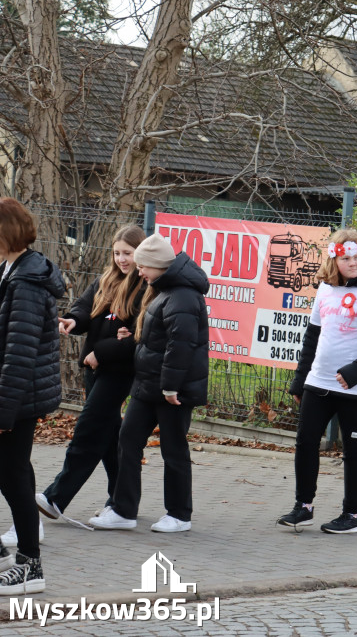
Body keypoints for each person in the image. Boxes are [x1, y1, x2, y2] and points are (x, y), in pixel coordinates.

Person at [277, 231, 357, 534]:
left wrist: (355, 372)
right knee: (305, 442)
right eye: (346, 258)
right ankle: (303, 506)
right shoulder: (326, 289)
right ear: (335, 259)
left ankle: (352, 515)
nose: (353, 263)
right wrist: (299, 380)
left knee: (353, 450)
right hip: (319, 381)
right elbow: (312, 337)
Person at [89, 233, 209, 533]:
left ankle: (179, 515)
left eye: (144, 266)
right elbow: (159, 337)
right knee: (127, 440)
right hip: (147, 385)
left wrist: (170, 387)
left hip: (170, 391)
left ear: (158, 265)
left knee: (174, 449)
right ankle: (123, 510)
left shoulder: (182, 295)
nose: (139, 271)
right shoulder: (162, 289)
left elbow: (180, 346)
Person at [37, 225, 147, 528]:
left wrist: (104, 351)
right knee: (111, 438)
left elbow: (139, 336)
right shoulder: (105, 280)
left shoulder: (144, 286)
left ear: (140, 253)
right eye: (117, 253)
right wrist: (73, 320)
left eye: (128, 253)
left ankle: (56, 497)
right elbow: (85, 309)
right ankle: (122, 503)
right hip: (95, 370)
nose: (122, 259)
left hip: (119, 372)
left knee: (88, 429)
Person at [0, 198, 65, 596]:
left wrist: (4, 411)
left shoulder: (25, 282)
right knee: (13, 476)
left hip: (15, 398)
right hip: (12, 396)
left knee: (14, 479)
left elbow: (19, 353)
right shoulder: (11, 271)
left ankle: (29, 566)